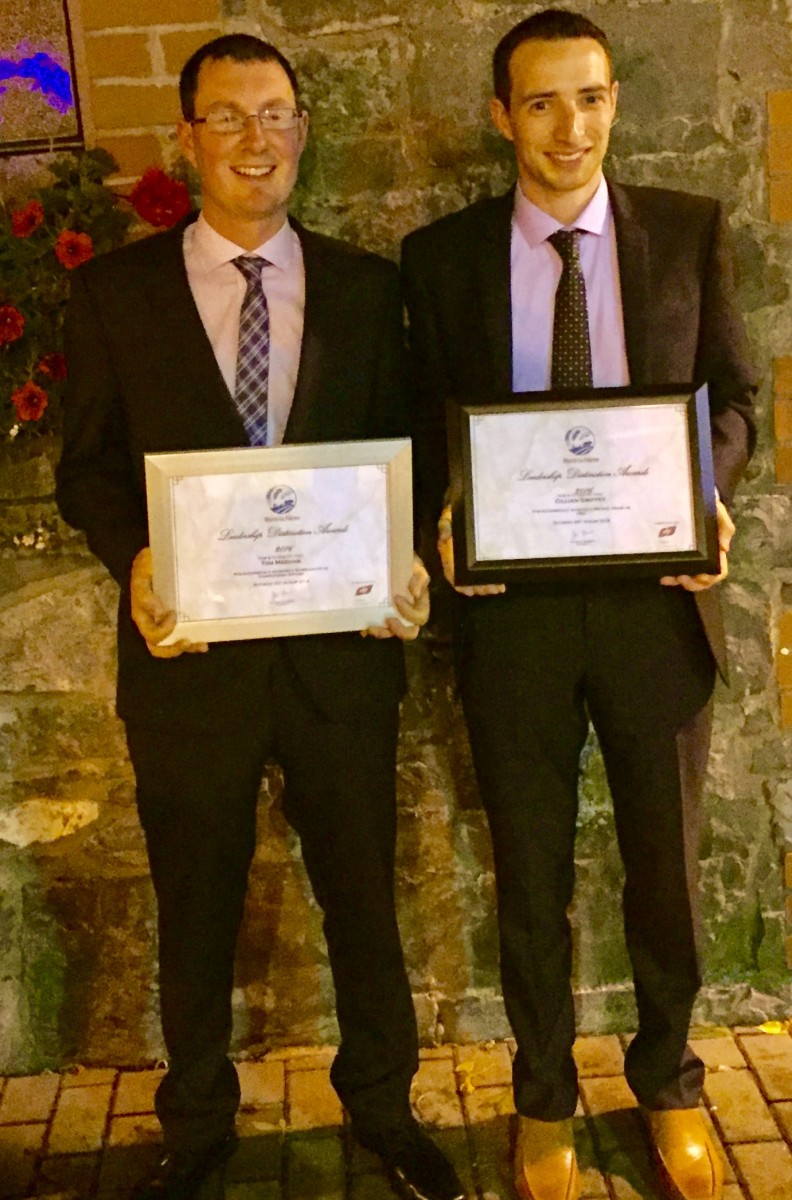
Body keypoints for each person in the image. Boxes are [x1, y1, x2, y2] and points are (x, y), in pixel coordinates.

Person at [56, 34, 464, 1200]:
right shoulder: (114, 292)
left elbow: (415, 438)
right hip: (190, 664)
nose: (255, 139)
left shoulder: (365, 286)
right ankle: (196, 1127)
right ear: (188, 138)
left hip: (341, 657)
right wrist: (132, 554)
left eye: (274, 115)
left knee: (363, 895)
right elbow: (85, 468)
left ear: (301, 132)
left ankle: (384, 1108)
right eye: (227, 117)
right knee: (193, 900)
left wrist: (405, 548)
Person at [401, 10, 756, 1200]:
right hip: (514, 611)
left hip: (657, 602)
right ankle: (543, 1095)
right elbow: (421, 423)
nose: (570, 127)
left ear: (616, 102)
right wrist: (443, 511)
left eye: (591, 97)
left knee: (664, 866)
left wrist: (713, 491)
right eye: (542, 102)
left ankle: (670, 1083)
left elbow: (738, 397)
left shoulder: (692, 233)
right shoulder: (441, 257)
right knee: (530, 870)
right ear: (503, 116)